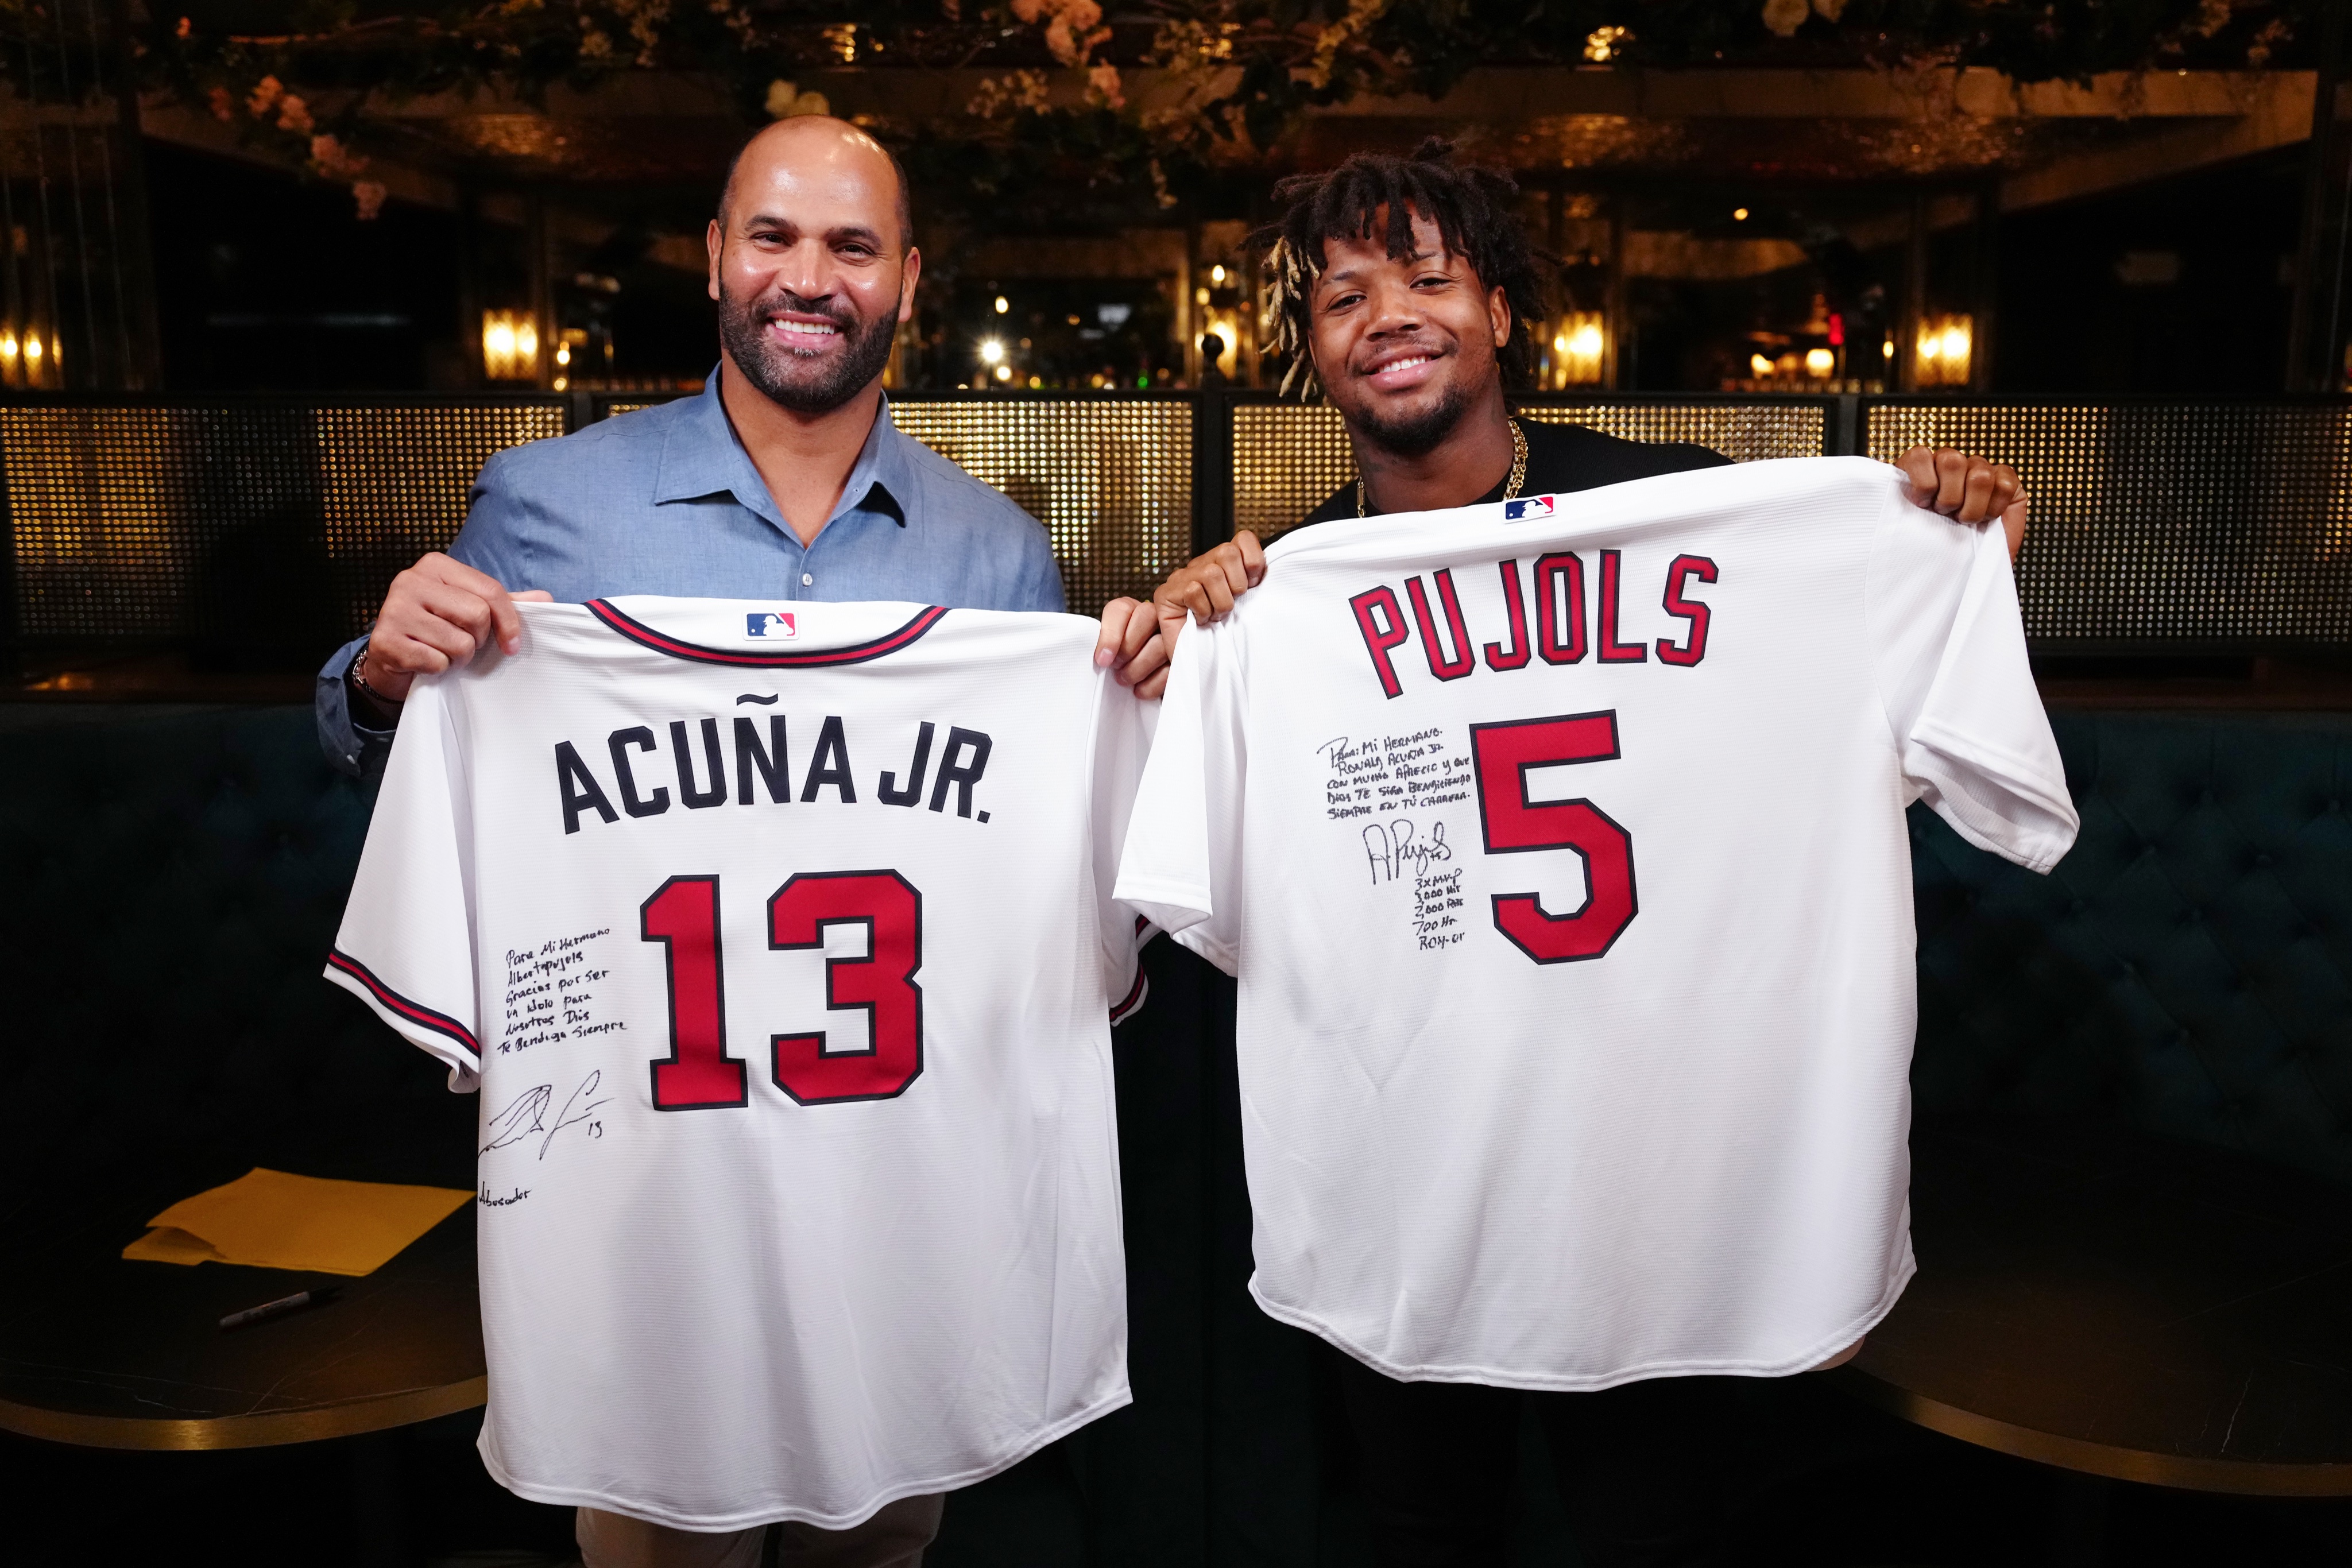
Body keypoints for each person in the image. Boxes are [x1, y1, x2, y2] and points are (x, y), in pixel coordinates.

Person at [1093, 140, 2030, 1566]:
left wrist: (1937, 546)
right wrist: (1192, 649)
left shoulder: (1688, 509)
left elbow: (1871, 699)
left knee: (1651, 1530)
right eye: (1344, 295)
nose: (1388, 314)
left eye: (1426, 276)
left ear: (1502, 312)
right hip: (1413, 1191)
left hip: (1659, 1187)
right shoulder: (1270, 601)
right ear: (1312, 353)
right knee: (1422, 1529)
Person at [313, 114, 1062, 1568]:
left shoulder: (996, 558)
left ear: (906, 280)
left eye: (851, 246)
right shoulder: (548, 502)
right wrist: (380, 674)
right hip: (642, 1193)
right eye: (774, 236)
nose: (809, 275)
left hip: (894, 1184)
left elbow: (1035, 870)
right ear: (714, 255)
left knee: (880, 1540)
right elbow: (418, 773)